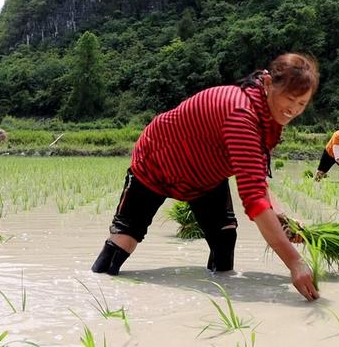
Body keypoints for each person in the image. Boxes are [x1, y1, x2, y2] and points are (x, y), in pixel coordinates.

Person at [91, 53, 320, 301]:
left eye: (302, 103)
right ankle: (92, 290)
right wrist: (295, 263)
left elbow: (256, 177)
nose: (293, 110)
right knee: (124, 240)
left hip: (204, 176)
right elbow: (254, 200)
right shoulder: (242, 116)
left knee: (225, 236)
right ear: (267, 83)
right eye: (290, 99)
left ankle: (218, 295)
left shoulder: (267, 116)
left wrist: (279, 217)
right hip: (158, 163)